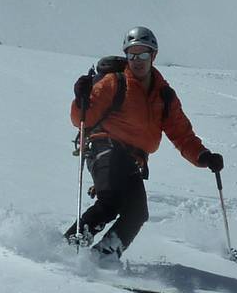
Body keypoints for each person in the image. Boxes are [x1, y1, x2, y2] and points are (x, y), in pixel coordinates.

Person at [64, 26, 224, 260]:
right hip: (104, 148)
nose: (137, 60)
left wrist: (203, 156)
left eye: (143, 55)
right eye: (132, 55)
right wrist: (81, 98)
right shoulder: (114, 82)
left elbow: (182, 134)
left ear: (154, 56)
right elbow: (81, 120)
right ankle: (81, 252)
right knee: (121, 204)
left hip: (132, 160)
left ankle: (92, 254)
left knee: (132, 212)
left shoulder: (164, 95)